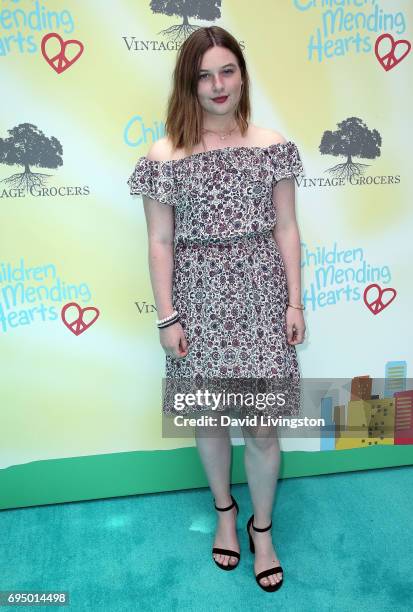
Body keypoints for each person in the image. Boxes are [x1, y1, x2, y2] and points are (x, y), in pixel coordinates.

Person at [127, 26, 306, 593]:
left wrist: (295, 302)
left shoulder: (271, 145)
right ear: (189, 83)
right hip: (197, 305)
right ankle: (225, 515)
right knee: (209, 420)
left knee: (260, 429)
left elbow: (285, 226)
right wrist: (167, 316)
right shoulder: (164, 155)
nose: (218, 84)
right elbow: (159, 242)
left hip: (260, 300)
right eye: (204, 74)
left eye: (227, 70)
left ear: (242, 75)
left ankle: (263, 529)